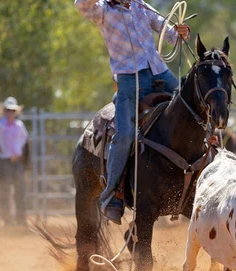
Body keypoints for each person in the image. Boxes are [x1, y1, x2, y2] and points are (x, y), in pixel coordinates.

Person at [75, 0, 191, 224]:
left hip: (159, 71)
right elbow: (80, 4)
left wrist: (178, 32)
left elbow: (166, 30)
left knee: (189, 107)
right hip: (129, 77)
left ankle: (208, 162)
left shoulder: (141, 6)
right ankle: (112, 194)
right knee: (125, 133)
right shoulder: (102, 10)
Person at [0, 97, 28, 226]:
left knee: (20, 190)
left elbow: (24, 139)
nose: (10, 113)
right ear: (4, 111)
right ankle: (7, 221)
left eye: (12, 110)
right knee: (5, 190)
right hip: (3, 161)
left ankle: (21, 220)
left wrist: (17, 152)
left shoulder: (19, 126)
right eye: (8, 110)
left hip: (16, 161)